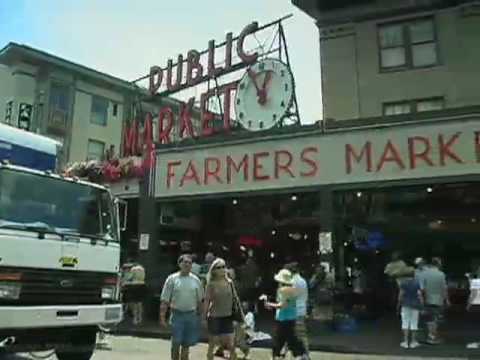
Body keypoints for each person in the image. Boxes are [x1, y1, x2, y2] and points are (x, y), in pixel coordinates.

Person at [160, 254, 204, 360]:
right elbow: (165, 300)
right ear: (179, 264)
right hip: (176, 315)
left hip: (191, 315)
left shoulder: (196, 280)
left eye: (190, 263)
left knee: (186, 344)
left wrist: (201, 317)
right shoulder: (172, 279)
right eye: (185, 262)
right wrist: (162, 317)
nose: (187, 265)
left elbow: (200, 301)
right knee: (176, 342)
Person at [263, 268, 308, 360]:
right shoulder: (293, 289)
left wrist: (269, 304)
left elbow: (282, 305)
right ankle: (300, 354)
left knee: (280, 339)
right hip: (291, 317)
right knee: (291, 338)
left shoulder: (283, 291)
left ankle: (276, 355)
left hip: (283, 318)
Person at [204, 258, 238, 360]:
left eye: (224, 266)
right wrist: (204, 317)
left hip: (228, 316)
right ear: (214, 270)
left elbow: (235, 299)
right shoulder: (211, 284)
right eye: (219, 267)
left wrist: (237, 315)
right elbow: (206, 300)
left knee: (231, 345)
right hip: (215, 316)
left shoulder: (230, 282)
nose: (222, 269)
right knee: (212, 344)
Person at [420, 257, 449, 345]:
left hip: (427, 298)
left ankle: (430, 336)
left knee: (429, 319)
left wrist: (422, 299)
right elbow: (444, 288)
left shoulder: (424, 274)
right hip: (438, 299)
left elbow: (422, 288)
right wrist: (447, 299)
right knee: (435, 319)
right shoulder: (441, 274)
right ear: (438, 264)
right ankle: (433, 337)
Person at [397, 266, 424, 349]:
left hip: (405, 305)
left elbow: (401, 295)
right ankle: (413, 342)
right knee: (414, 324)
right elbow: (420, 295)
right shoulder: (417, 283)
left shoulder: (403, 283)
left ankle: (405, 342)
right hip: (415, 305)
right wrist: (422, 305)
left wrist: (398, 304)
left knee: (405, 323)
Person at [288, 262, 309, 354]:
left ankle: (304, 353)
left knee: (292, 334)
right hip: (302, 309)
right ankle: (304, 353)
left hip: (294, 311)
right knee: (300, 334)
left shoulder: (292, 281)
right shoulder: (303, 281)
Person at [122, 260, 146, 325]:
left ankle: (135, 318)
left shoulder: (133, 269)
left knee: (134, 303)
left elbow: (130, 277)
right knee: (139, 303)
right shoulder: (142, 268)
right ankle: (140, 318)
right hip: (142, 285)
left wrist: (124, 280)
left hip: (134, 286)